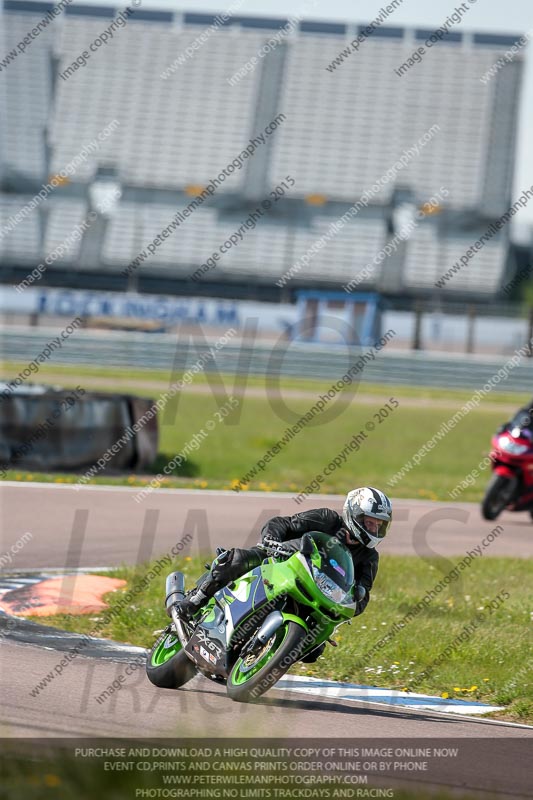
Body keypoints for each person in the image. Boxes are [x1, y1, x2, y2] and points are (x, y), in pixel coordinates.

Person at [176, 487, 392, 640]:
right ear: (354, 514)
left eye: (378, 525)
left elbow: (363, 594)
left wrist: (352, 603)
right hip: (282, 559)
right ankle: (196, 599)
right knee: (238, 559)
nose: (373, 529)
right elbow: (283, 523)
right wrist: (272, 539)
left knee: (316, 646)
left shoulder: (369, 557)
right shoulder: (327, 519)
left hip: (318, 593)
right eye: (369, 522)